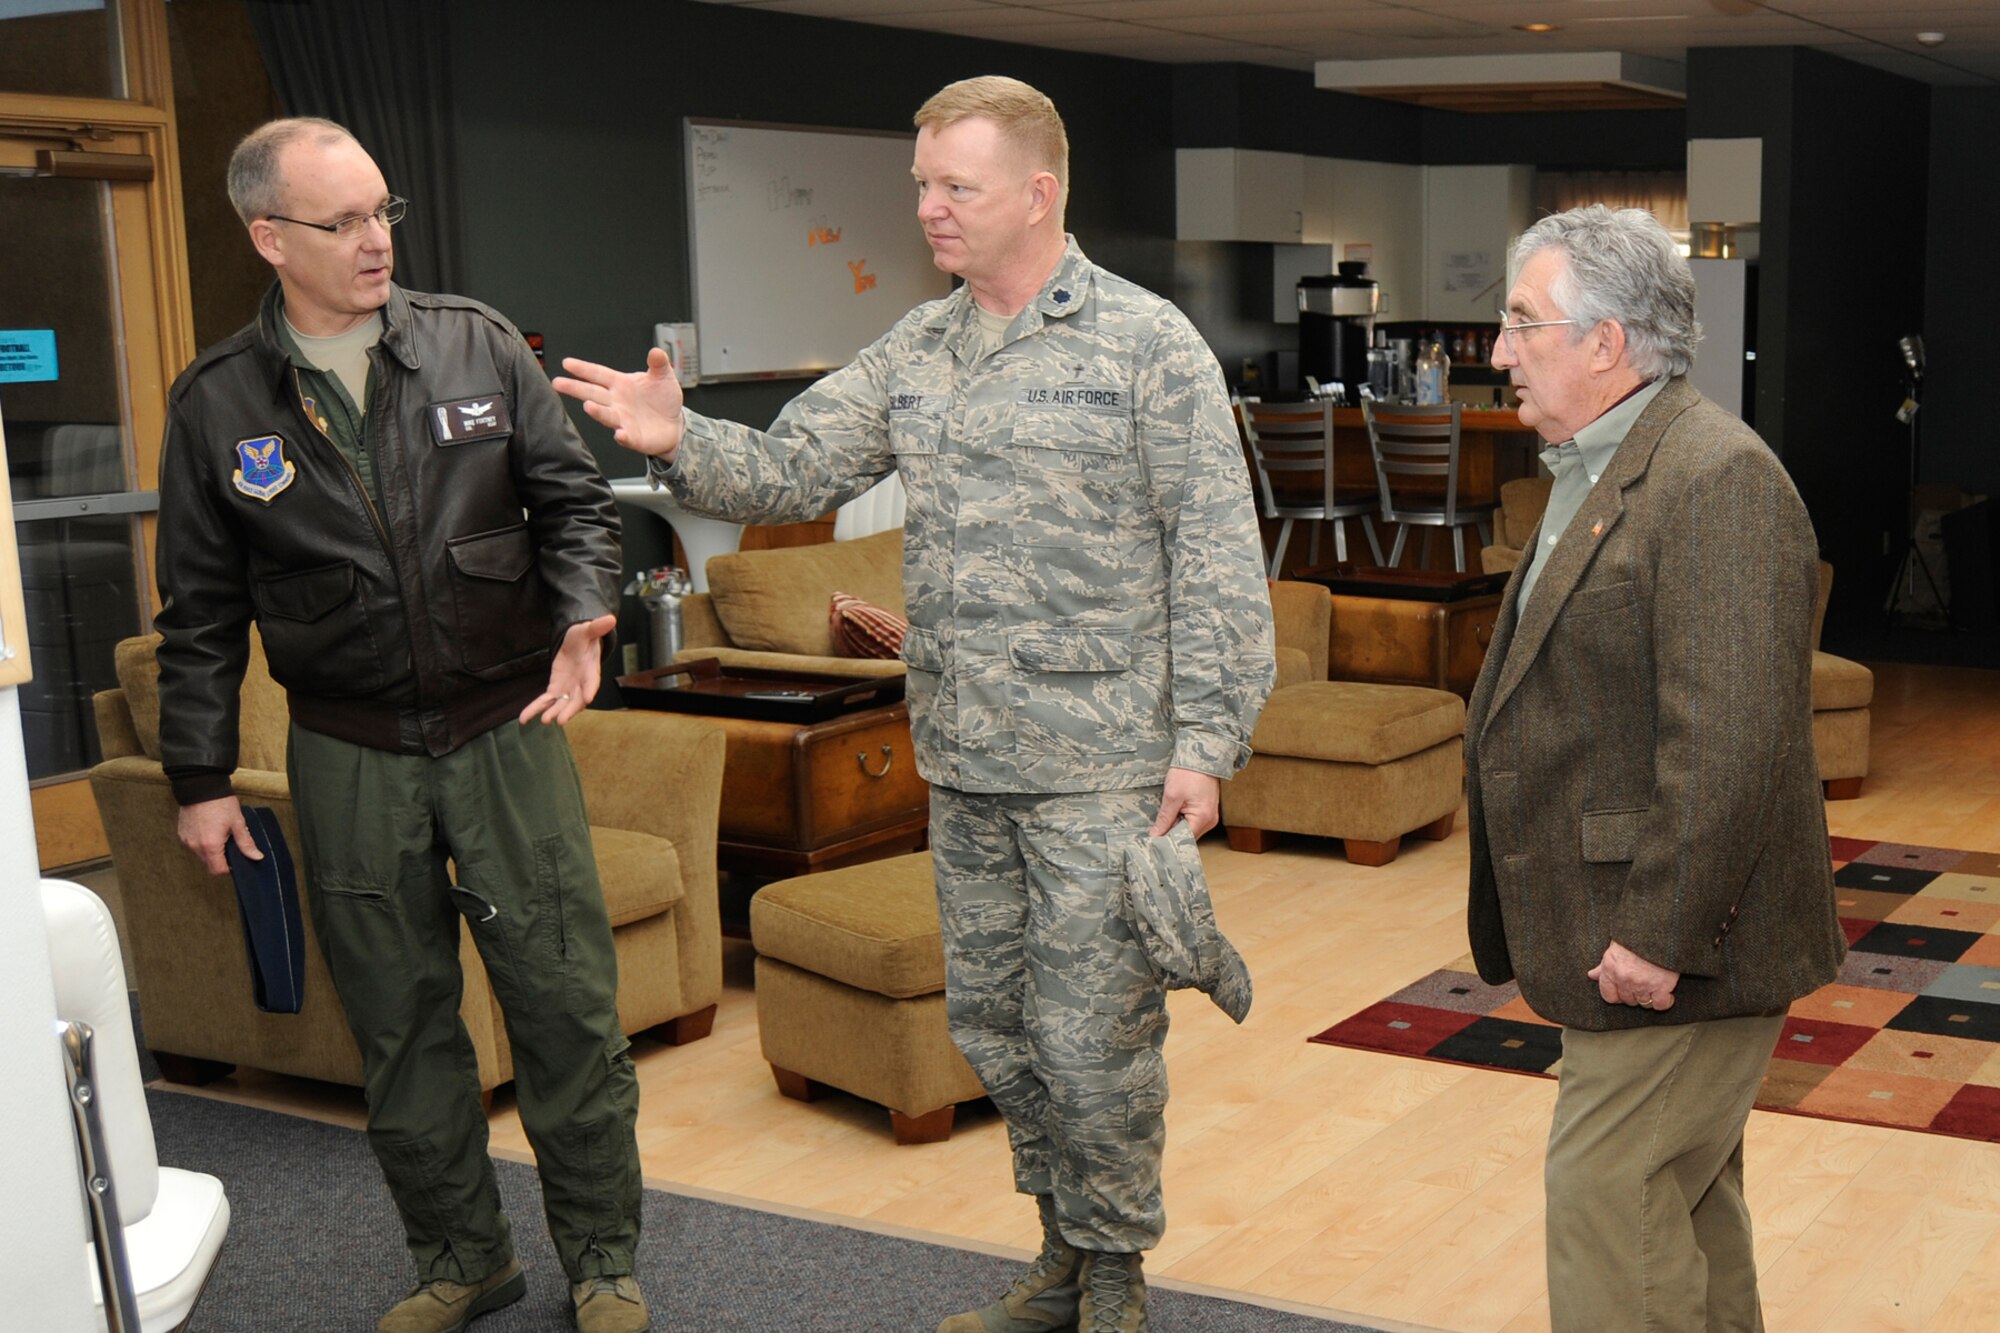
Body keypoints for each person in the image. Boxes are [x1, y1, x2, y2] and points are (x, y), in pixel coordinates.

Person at [555, 76, 1273, 1333]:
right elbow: (792, 467)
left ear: (1037, 195)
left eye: (957, 187)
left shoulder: (1145, 345)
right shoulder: (920, 346)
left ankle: (1114, 1275)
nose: (929, 210)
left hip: (1099, 765)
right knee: (997, 1027)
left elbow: (1216, 556)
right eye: (922, 186)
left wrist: (1207, 747)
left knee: (1097, 1040)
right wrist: (675, 438)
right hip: (964, 758)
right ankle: (1057, 1246)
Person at [154, 117, 652, 1333]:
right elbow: (201, 610)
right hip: (349, 747)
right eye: (345, 221)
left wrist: (586, 610)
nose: (377, 240)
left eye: (386, 212)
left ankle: (601, 1263)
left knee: (564, 1004)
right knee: (399, 1023)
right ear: (270, 238)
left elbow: (574, 506)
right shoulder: (219, 403)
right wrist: (197, 774)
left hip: (504, 724)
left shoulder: (473, 344)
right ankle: (460, 1257)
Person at [1464, 205, 1847, 1331]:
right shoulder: (1596, 465)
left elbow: (1729, 739)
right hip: (1628, 925)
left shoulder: (1714, 479)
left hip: (1676, 938)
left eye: (1519, 323)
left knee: (1607, 1208)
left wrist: (1659, 931)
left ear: (1604, 343)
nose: (1494, 352)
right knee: (1678, 1207)